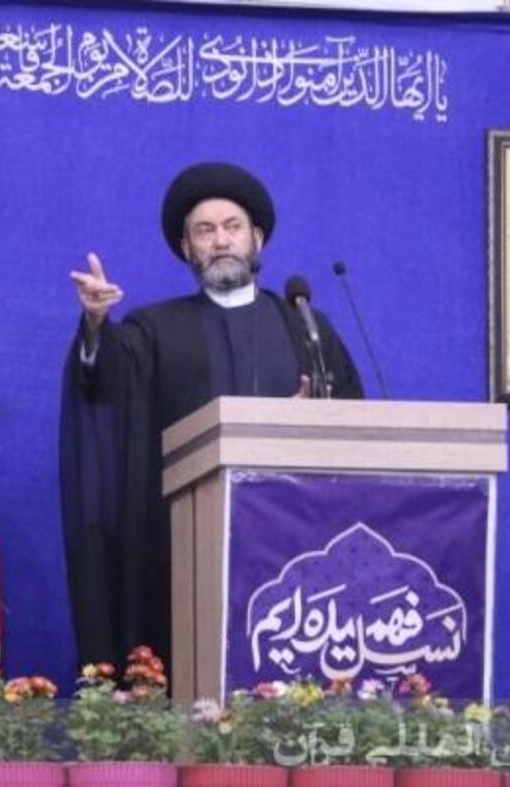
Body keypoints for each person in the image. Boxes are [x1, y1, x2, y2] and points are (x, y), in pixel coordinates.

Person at [59, 162, 363, 671]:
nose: (220, 241)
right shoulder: (155, 330)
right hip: (184, 549)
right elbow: (105, 383)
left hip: (296, 544)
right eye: (204, 231)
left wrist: (311, 426)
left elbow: (352, 424)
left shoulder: (306, 329)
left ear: (256, 239)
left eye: (232, 227)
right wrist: (95, 326)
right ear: (187, 249)